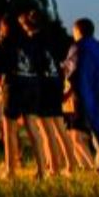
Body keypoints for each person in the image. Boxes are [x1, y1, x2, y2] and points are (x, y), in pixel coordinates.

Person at [0, 15, 48, 179]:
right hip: (31, 85)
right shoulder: (30, 41)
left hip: (13, 86)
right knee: (32, 127)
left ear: (3, 28)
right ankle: (42, 170)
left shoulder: (3, 42)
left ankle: (10, 170)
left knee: (10, 130)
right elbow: (41, 64)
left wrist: (0, 87)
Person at [20, 10, 77, 176]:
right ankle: (71, 165)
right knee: (59, 127)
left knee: (47, 130)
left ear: (27, 25)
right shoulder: (52, 39)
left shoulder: (32, 42)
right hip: (55, 83)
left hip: (42, 85)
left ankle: (54, 167)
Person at [64, 18, 99, 174]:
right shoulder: (98, 48)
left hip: (94, 98)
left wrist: (65, 93)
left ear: (78, 31)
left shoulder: (79, 47)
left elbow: (71, 72)